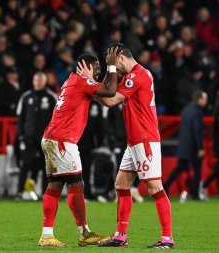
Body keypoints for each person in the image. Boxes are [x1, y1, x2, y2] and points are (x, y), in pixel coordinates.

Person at [88, 42, 174, 249]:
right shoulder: (131, 77)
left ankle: (167, 238)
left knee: (155, 188)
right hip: (134, 142)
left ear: (121, 57)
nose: (114, 68)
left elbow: (109, 101)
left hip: (145, 140)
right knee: (121, 185)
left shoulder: (138, 76)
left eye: (114, 63)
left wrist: (86, 85)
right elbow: (108, 93)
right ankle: (120, 236)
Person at [38, 48, 120, 247]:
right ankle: (83, 232)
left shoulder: (72, 81)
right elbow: (110, 91)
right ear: (87, 67)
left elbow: (105, 98)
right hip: (62, 140)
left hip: (53, 138)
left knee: (55, 186)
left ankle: (47, 235)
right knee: (77, 184)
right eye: (97, 67)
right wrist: (112, 66)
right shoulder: (82, 82)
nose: (99, 71)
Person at [16, 72, 57, 200]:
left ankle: (46, 193)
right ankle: (20, 192)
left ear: (45, 82)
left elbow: (57, 118)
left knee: (46, 167)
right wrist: (20, 134)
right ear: (33, 81)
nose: (38, 83)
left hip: (46, 139)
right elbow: (20, 117)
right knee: (26, 164)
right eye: (36, 80)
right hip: (29, 137)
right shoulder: (26, 97)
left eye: (40, 80)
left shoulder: (51, 97)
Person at [163, 90, 208, 200]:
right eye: (205, 99)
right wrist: (200, 148)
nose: (206, 101)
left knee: (180, 167)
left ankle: (165, 185)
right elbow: (197, 131)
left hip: (184, 144)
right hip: (193, 147)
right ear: (200, 99)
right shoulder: (197, 111)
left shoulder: (186, 109)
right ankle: (196, 195)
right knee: (197, 170)